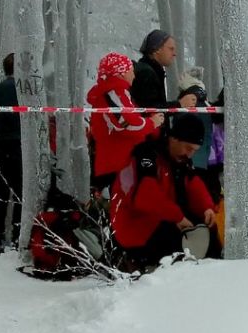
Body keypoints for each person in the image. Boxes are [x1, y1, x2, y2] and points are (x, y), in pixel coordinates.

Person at [111, 112, 217, 271]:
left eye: (194, 150)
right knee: (180, 242)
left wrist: (206, 208)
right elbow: (145, 196)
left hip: (161, 220)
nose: (190, 154)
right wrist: (178, 217)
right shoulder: (146, 155)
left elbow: (193, 184)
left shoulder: (179, 159)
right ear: (174, 138)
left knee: (206, 232)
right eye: (188, 148)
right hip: (135, 225)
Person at [88, 52, 159, 197]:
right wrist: (152, 123)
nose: (134, 75)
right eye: (131, 71)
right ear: (120, 73)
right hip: (117, 163)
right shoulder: (114, 91)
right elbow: (127, 124)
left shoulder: (117, 92)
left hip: (116, 161)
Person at [0, 55, 23, 254]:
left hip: (1, 145)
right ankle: (18, 236)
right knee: (19, 193)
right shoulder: (25, 90)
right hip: (20, 145)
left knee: (0, 193)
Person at [132, 29, 177, 113]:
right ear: (157, 49)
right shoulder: (146, 73)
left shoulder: (153, 71)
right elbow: (150, 109)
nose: (174, 53)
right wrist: (179, 105)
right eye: (171, 49)